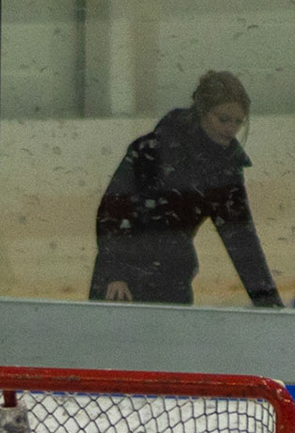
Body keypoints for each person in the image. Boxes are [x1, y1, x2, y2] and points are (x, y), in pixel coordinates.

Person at [89, 71, 283, 307]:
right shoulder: (152, 151)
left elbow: (241, 239)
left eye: (238, 122)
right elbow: (113, 212)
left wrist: (268, 303)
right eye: (223, 119)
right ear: (202, 112)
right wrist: (115, 273)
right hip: (121, 284)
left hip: (173, 279)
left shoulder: (224, 169)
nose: (231, 129)